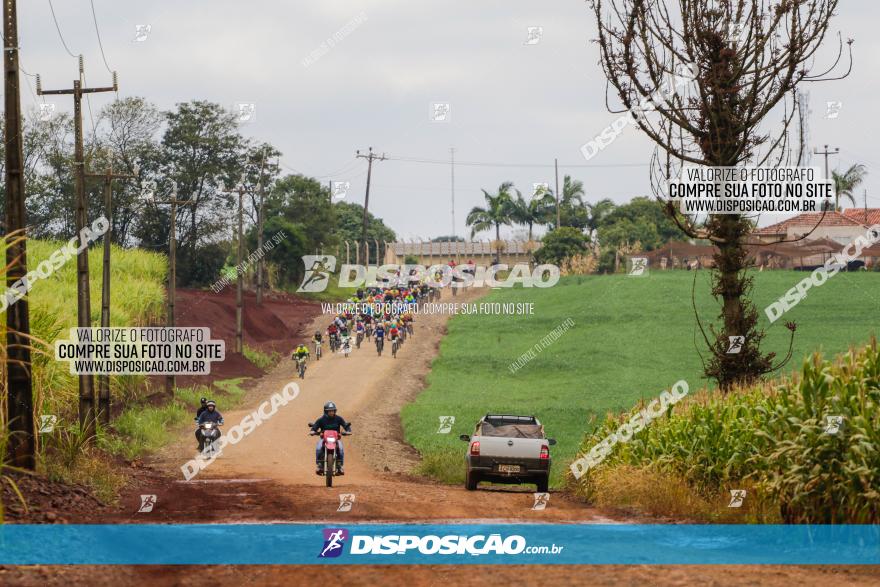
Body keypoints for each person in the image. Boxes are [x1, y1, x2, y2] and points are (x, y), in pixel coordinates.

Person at [309, 401, 351, 474]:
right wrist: (313, 431)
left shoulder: (339, 418)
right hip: (324, 439)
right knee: (318, 448)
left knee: (340, 449)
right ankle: (319, 465)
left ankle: (339, 466)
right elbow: (314, 427)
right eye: (330, 411)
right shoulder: (321, 419)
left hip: (336, 439)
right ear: (326, 412)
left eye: (333, 411)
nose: (331, 412)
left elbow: (345, 425)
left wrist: (348, 431)